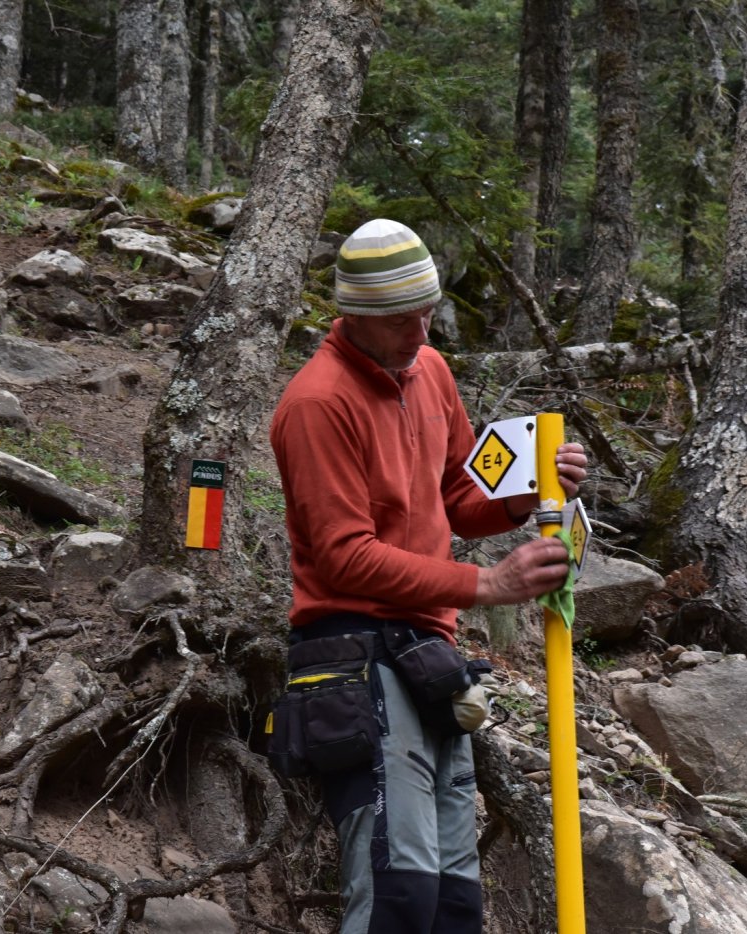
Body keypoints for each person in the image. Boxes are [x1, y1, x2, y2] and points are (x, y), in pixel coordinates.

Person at [268, 218, 587, 933]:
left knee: (450, 903)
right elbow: (343, 556)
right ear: (353, 315)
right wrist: (485, 586)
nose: (421, 329)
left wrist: (532, 488)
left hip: (427, 657)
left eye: (427, 311)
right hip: (352, 656)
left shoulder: (431, 371)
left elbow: (460, 499)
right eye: (402, 318)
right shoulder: (318, 403)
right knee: (397, 894)